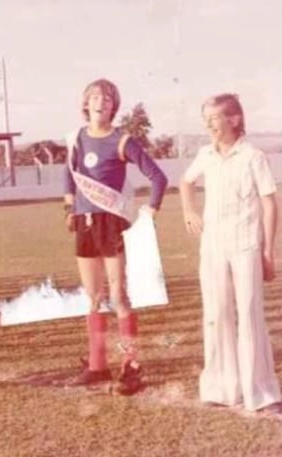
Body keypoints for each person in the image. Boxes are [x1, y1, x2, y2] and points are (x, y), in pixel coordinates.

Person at [62, 79, 168, 395]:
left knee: (119, 296)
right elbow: (68, 173)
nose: (100, 102)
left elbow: (158, 177)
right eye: (95, 97)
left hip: (111, 224)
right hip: (84, 223)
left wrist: (151, 209)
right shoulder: (76, 139)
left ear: (114, 106)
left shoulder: (122, 140)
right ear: (85, 102)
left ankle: (130, 366)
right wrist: (69, 207)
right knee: (93, 297)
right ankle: (97, 366)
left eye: (107, 99)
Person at [180, 93, 282, 415]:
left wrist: (268, 252)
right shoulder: (206, 154)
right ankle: (221, 388)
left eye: (215, 117)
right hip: (212, 247)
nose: (209, 124)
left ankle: (261, 394)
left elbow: (269, 203)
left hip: (245, 246)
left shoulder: (253, 157)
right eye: (206, 118)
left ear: (235, 119)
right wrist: (189, 210)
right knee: (217, 314)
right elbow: (185, 181)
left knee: (249, 317)